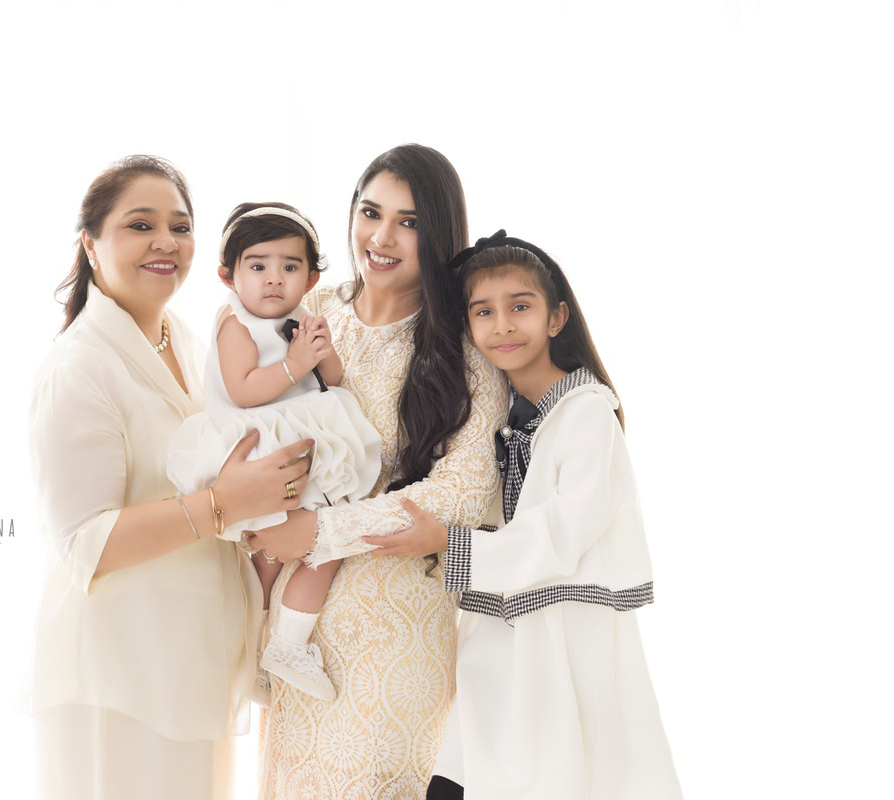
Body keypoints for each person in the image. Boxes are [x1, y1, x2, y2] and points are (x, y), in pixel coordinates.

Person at [25, 155, 314, 800]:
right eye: (140, 225)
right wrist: (221, 505)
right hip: (117, 678)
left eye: (180, 227)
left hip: (192, 669)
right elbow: (83, 544)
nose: (166, 242)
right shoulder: (78, 368)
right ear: (90, 244)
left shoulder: (186, 340)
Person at [374, 231, 682, 799]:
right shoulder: (503, 417)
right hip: (501, 632)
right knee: (463, 774)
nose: (503, 326)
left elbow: (563, 532)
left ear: (556, 317)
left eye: (520, 307)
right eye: (483, 312)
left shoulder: (587, 415)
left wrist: (449, 542)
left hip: (566, 641)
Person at [249, 145, 508, 799]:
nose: (382, 238)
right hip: (296, 633)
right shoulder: (311, 310)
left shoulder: (465, 346)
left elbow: (464, 490)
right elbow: (248, 420)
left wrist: (321, 533)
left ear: (439, 233)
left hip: (397, 631)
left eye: (408, 222)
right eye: (371, 213)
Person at [167, 201, 381, 702]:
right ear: (228, 276)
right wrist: (295, 363)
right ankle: (264, 649)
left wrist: (322, 352)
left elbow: (331, 381)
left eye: (289, 267)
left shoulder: (303, 317)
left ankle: (281, 645)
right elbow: (243, 390)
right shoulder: (235, 323)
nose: (273, 279)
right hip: (256, 447)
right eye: (258, 266)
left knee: (319, 542)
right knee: (275, 556)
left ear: (310, 279)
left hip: (299, 440)